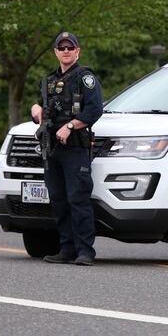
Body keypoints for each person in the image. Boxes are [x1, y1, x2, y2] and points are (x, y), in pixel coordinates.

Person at [31, 32, 103, 266]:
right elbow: (42, 107)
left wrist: (71, 126)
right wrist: (35, 110)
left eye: (69, 48)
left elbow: (94, 110)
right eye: (61, 48)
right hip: (52, 149)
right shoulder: (49, 81)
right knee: (59, 200)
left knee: (78, 199)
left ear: (77, 51)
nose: (65, 51)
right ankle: (67, 249)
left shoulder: (85, 78)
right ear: (55, 52)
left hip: (75, 149)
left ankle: (85, 252)